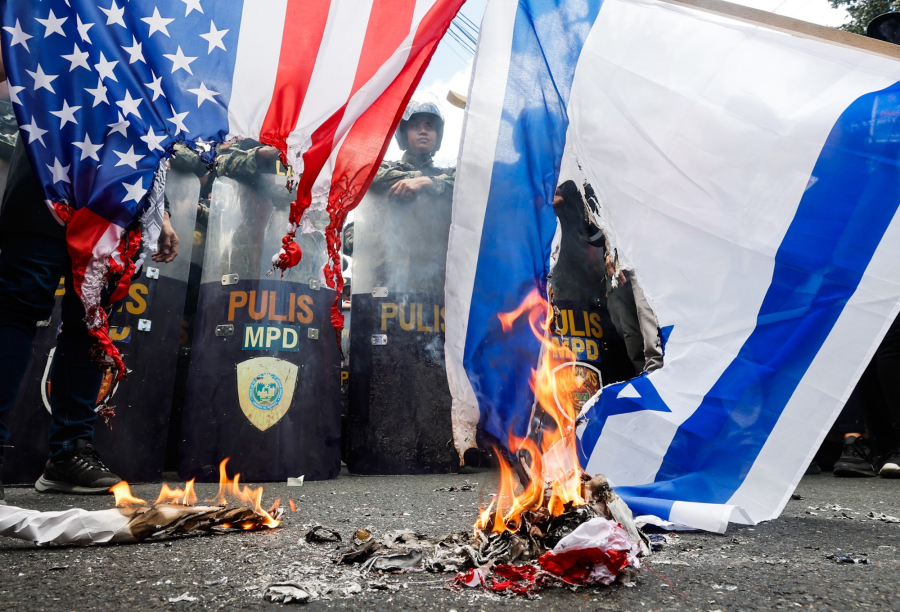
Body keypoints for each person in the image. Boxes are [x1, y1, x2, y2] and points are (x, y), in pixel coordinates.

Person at [0, 59, 179, 501]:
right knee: (19, 303)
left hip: (117, 196)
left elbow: (153, 130)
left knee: (89, 322)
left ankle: (68, 453)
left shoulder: (152, 39)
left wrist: (163, 211)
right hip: (52, 171)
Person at [370, 97, 455, 199]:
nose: (423, 131)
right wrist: (418, 178)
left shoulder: (449, 173)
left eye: (429, 126)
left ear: (437, 136)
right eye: (415, 126)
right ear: (404, 135)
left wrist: (428, 181)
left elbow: (468, 187)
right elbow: (368, 175)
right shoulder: (385, 167)